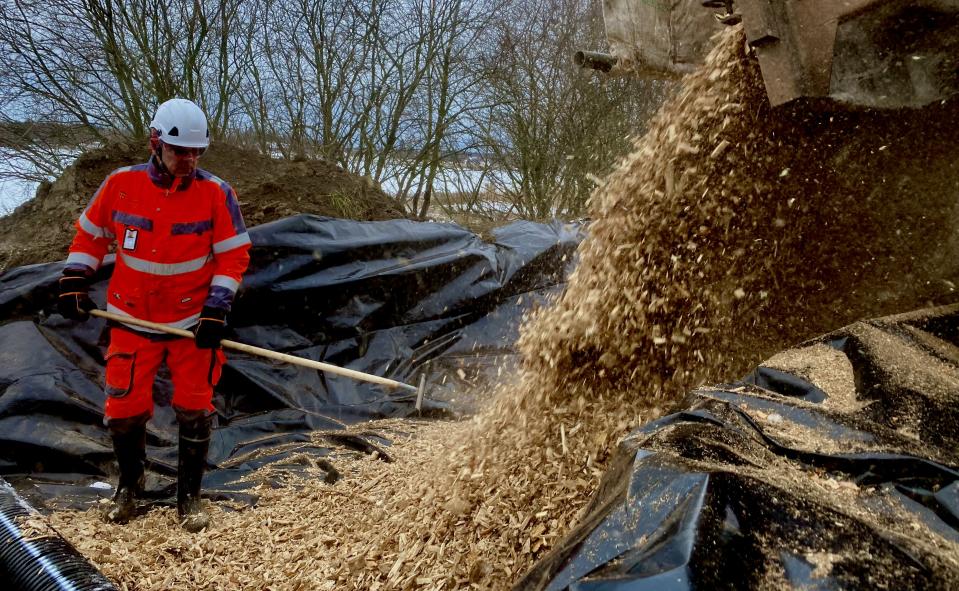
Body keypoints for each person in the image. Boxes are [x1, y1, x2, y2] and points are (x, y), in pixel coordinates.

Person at [57, 98, 251, 532]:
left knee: (194, 407)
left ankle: (190, 499)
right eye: (181, 151)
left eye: (197, 153)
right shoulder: (120, 185)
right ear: (155, 142)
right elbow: (91, 237)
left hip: (190, 324)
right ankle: (129, 487)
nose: (190, 160)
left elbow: (233, 256)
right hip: (131, 318)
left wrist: (216, 309)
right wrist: (74, 279)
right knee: (124, 408)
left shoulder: (216, 194)